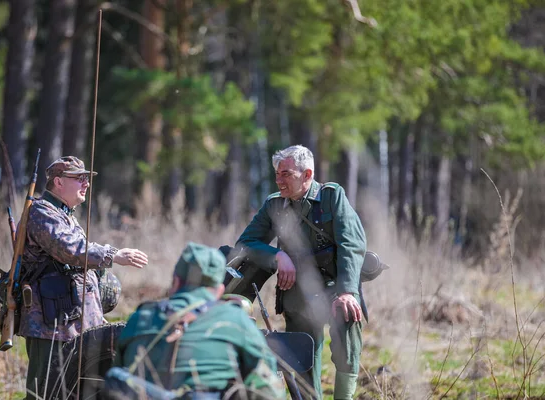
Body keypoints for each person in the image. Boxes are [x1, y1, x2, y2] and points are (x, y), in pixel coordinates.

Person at [235, 145, 367, 400]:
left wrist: (348, 291)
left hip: (335, 287)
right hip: (298, 292)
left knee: (348, 335)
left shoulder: (331, 197)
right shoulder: (275, 205)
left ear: (307, 174)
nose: (278, 180)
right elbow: (246, 243)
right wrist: (278, 256)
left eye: (285, 174)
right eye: (277, 174)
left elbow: (352, 244)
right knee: (303, 356)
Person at [18, 156, 149, 400]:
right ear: (58, 182)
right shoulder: (41, 212)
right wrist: (113, 254)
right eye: (79, 178)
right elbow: (70, 249)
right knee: (45, 394)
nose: (86, 183)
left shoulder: (66, 215)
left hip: (75, 323)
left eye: (87, 178)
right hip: (51, 326)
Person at [112, 242, 285, 399]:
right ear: (220, 290)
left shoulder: (140, 317)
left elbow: (121, 370)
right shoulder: (235, 320)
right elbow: (270, 388)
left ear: (175, 283)